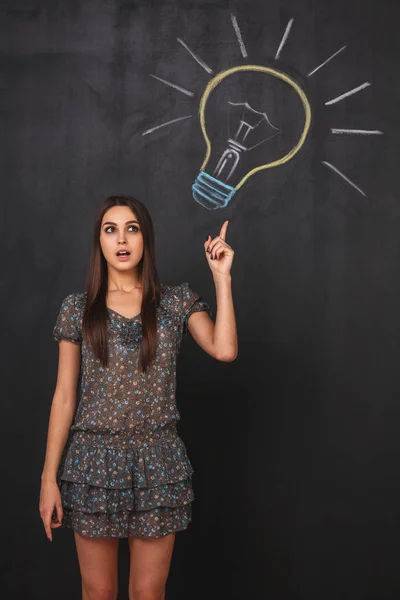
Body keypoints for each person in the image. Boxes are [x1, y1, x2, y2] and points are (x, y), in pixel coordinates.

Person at [39, 194, 237, 600]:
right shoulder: (79, 309)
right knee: (98, 591)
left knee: (148, 592)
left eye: (133, 228)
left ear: (146, 238)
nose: (122, 239)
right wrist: (48, 479)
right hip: (93, 462)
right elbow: (63, 397)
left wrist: (222, 278)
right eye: (110, 230)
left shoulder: (174, 302)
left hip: (157, 461)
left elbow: (224, 349)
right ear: (99, 241)